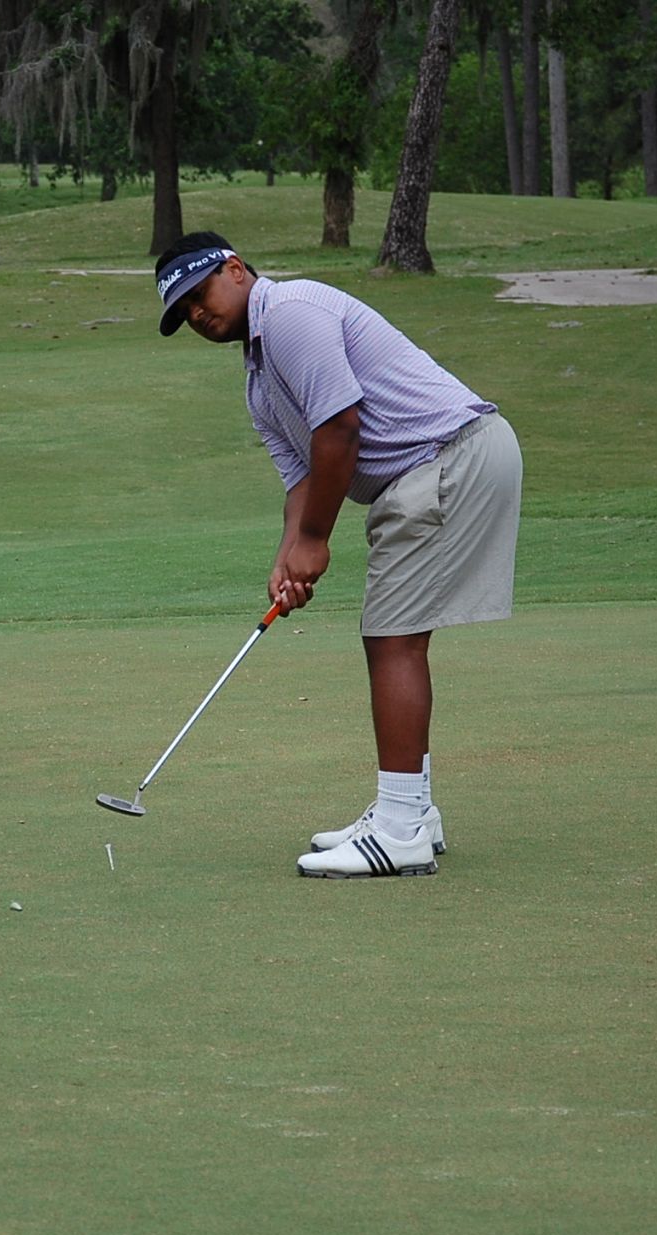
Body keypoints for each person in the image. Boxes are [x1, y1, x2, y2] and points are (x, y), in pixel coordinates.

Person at [153, 232, 522, 879]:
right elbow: (301, 483)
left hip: (447, 456)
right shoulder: (259, 382)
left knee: (392, 640)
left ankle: (401, 827)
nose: (196, 316)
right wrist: (287, 555)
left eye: (199, 295)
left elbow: (341, 427)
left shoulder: (290, 313)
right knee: (393, 638)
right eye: (183, 313)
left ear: (235, 270)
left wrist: (316, 541)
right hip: (436, 463)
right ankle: (413, 812)